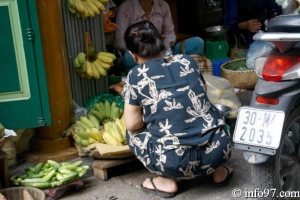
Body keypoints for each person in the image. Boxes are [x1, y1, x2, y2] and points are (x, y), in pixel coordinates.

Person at [110, 20, 233, 198]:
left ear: (132, 54)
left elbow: (132, 124)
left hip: (174, 162)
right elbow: (202, 92)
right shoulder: (187, 61)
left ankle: (165, 181)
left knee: (132, 133)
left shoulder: (135, 76)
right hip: (219, 150)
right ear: (161, 41)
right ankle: (219, 171)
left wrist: (153, 112)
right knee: (207, 114)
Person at [114, 0, 205, 72]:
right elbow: (119, 41)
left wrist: (164, 49)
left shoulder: (163, 5)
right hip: (141, 54)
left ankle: (184, 74)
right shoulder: (126, 8)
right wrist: (147, 49)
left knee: (197, 43)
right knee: (129, 57)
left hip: (163, 50)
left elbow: (170, 33)